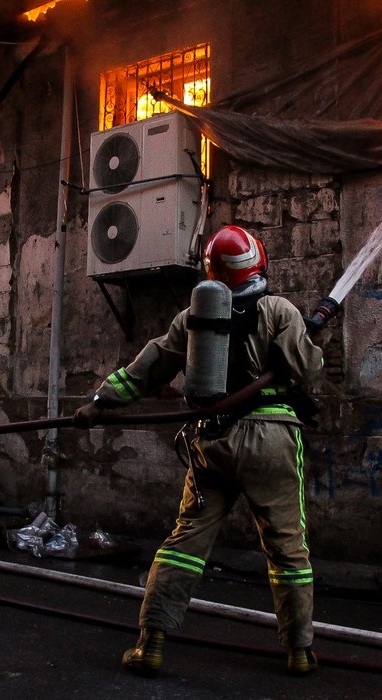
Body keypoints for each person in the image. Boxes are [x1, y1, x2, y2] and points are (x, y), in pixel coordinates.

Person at [73, 224, 325, 677]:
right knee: (288, 548)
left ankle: (151, 642)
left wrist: (99, 402)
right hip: (272, 442)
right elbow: (305, 372)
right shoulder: (280, 311)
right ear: (258, 263)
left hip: (214, 440)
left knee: (185, 542)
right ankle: (300, 650)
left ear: (212, 272)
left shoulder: (193, 316)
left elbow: (149, 365)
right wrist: (310, 341)